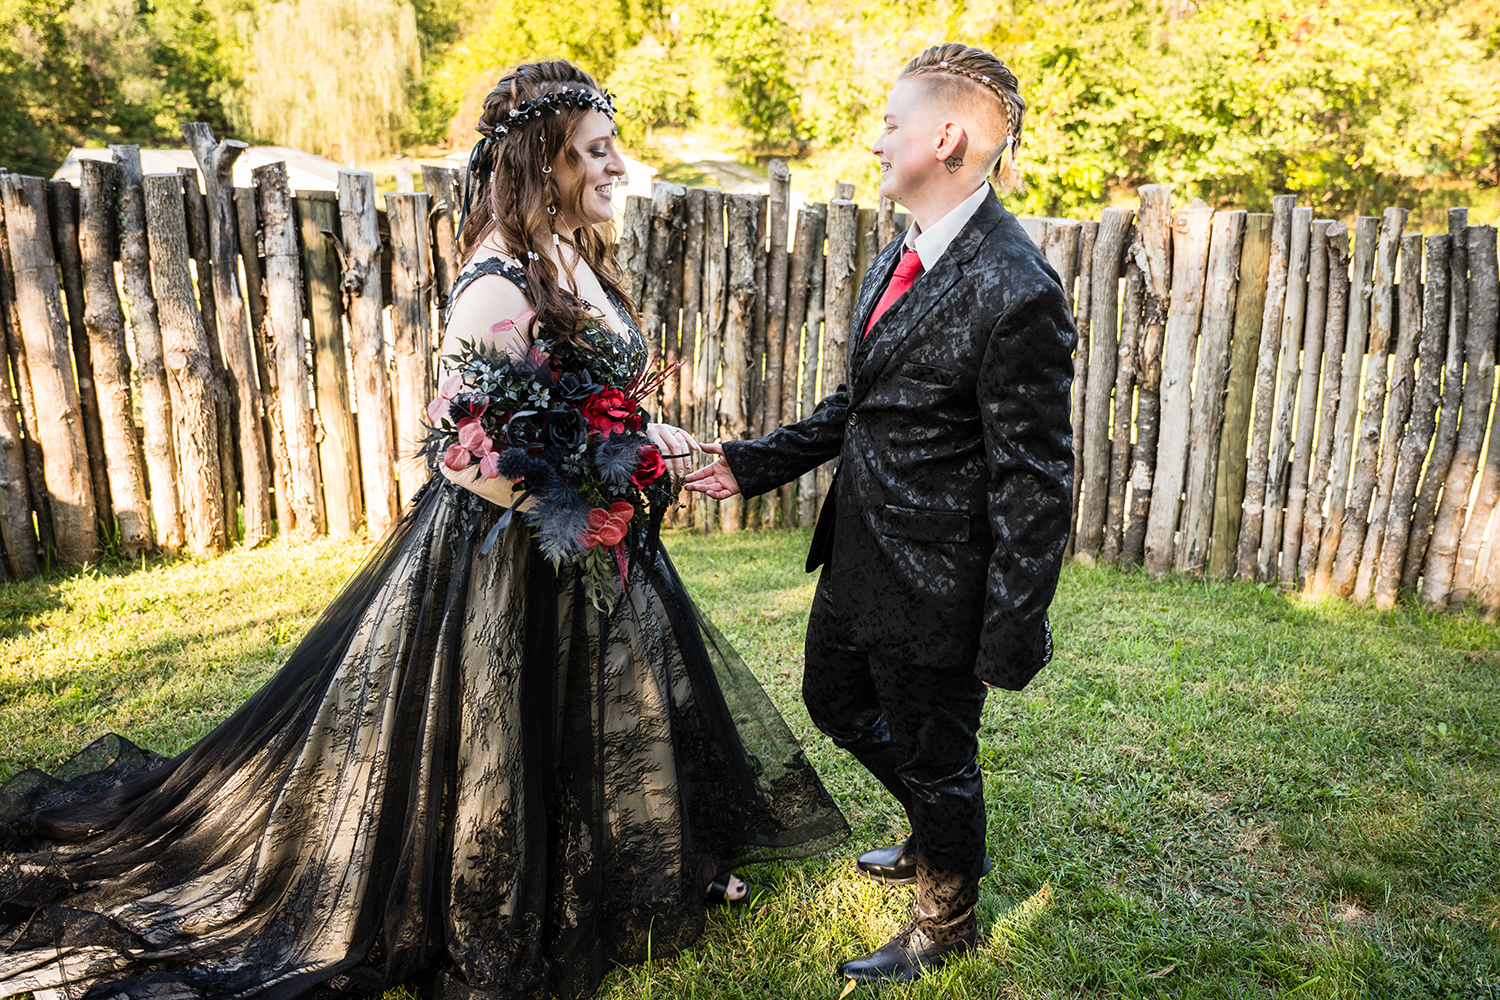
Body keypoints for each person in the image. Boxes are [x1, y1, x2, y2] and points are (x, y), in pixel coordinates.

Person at [0, 60, 847, 1000]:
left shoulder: (577, 255)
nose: (619, 165)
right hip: (510, 557)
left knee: (606, 713)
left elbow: (588, 410)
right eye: (597, 151)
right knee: (504, 736)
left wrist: (655, 445)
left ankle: (638, 872)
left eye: (616, 147)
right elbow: (462, 454)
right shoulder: (496, 287)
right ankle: (502, 896)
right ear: (541, 162)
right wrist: (580, 499)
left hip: (587, 544)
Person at [685, 43, 1075, 984]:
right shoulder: (902, 250)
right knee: (834, 700)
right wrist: (750, 464)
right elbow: (860, 405)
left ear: (946, 137)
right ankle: (946, 838)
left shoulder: (1017, 288)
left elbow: (1037, 476)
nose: (876, 139)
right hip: (861, 552)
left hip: (941, 582)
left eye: (892, 123)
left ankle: (945, 917)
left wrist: (1013, 623)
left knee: (941, 755)